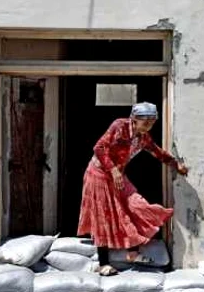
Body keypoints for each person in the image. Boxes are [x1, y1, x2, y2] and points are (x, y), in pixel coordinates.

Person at [77, 102, 188, 276]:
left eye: (152, 123)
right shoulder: (119, 126)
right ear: (134, 119)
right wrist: (113, 170)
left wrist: (175, 164)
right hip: (99, 174)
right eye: (145, 122)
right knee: (104, 216)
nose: (148, 126)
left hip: (118, 175)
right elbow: (99, 147)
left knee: (136, 205)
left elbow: (157, 152)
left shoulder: (143, 137)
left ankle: (132, 253)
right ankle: (103, 264)